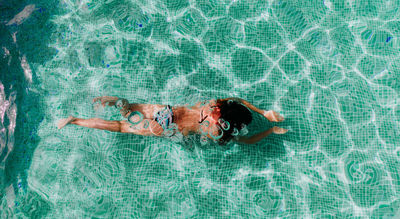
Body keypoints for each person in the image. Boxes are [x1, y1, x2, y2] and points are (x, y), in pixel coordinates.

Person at [57, 96, 288, 145]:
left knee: (129, 113)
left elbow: (237, 99)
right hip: (169, 126)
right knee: (120, 126)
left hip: (167, 112)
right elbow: (246, 142)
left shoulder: (212, 104)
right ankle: (74, 120)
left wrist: (263, 112)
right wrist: (269, 129)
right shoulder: (215, 130)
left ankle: (119, 103)